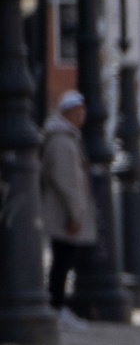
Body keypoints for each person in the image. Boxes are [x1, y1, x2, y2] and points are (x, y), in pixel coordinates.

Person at [40, 90, 96, 327]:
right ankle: (57, 306)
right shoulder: (63, 141)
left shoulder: (65, 138)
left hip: (61, 212)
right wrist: (75, 213)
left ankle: (57, 305)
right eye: (78, 111)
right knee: (63, 261)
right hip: (63, 215)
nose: (82, 116)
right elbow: (67, 180)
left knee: (62, 260)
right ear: (68, 113)